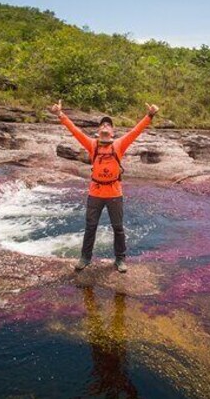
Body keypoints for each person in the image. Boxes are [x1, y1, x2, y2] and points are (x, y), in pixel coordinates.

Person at [50, 100, 159, 272]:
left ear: (113, 132)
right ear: (98, 130)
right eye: (103, 125)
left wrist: (150, 115)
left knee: (118, 227)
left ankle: (120, 260)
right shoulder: (92, 145)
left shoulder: (119, 144)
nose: (106, 126)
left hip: (114, 193)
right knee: (91, 226)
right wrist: (60, 115)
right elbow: (75, 131)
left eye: (109, 125)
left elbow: (136, 131)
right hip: (95, 192)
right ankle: (85, 258)